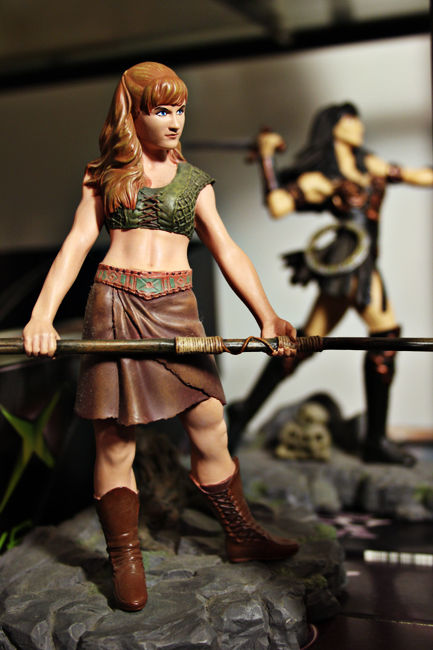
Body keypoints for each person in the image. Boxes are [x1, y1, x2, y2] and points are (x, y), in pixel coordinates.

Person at [22, 62, 299, 612]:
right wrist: (42, 317)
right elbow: (76, 244)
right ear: (133, 114)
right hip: (114, 305)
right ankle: (125, 557)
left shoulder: (195, 181)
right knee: (114, 438)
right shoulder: (103, 176)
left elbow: (227, 250)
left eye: (180, 110)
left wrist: (267, 316)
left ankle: (240, 534)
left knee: (209, 423)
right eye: (161, 110)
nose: (174, 121)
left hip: (177, 307)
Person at [228, 102, 433, 465]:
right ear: (334, 126)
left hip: (360, 261)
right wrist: (266, 159)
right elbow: (278, 205)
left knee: (303, 344)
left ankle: (244, 411)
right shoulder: (321, 179)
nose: (358, 125)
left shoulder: (369, 165)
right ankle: (375, 441)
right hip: (350, 261)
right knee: (386, 335)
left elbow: (418, 176)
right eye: (350, 119)